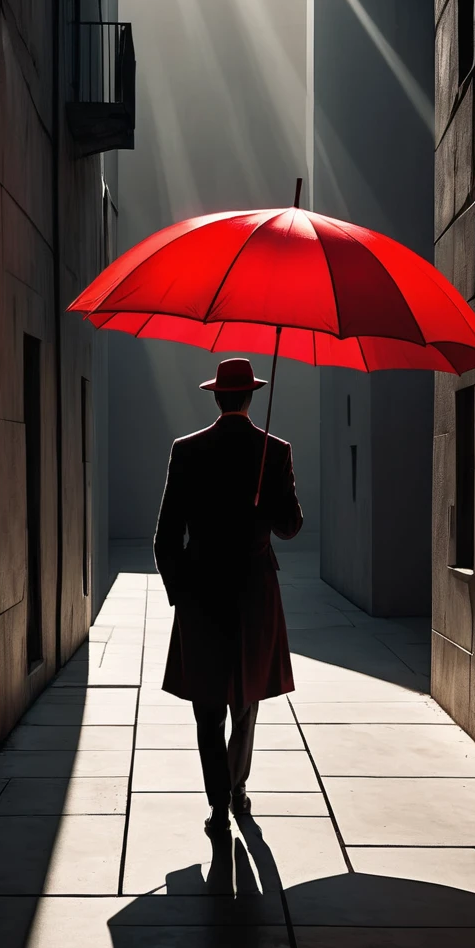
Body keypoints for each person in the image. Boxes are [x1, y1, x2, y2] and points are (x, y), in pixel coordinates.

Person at [154, 357, 304, 835]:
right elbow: (290, 526)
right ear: (250, 397)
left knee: (207, 705)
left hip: (201, 593)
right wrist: (276, 497)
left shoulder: (187, 450)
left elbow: (165, 538)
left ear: (217, 398)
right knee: (246, 699)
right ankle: (237, 789)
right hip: (254, 596)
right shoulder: (274, 452)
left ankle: (218, 805)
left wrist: (182, 595)